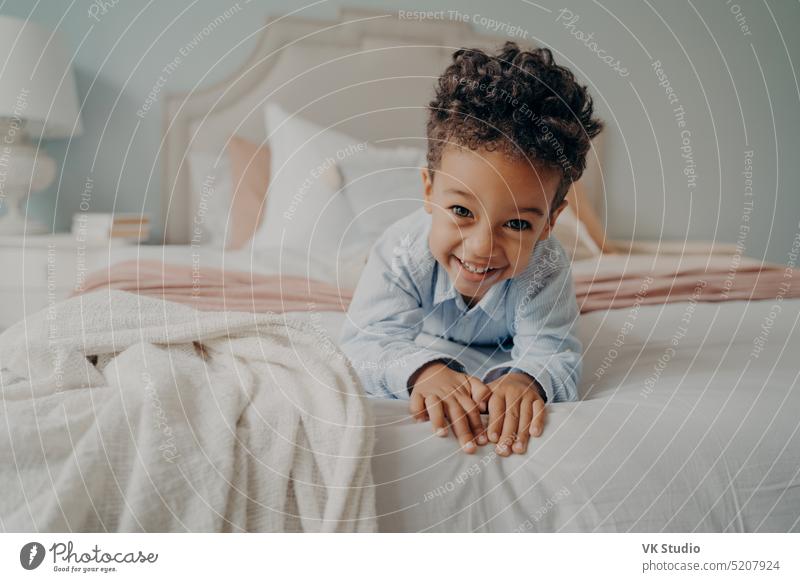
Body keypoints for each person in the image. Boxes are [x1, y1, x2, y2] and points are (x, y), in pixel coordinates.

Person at [339, 41, 603, 456]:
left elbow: (553, 349)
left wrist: (526, 379)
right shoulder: (402, 250)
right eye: (461, 210)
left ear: (551, 221)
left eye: (517, 224)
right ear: (428, 191)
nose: (482, 248)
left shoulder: (545, 266)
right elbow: (364, 344)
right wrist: (424, 370)